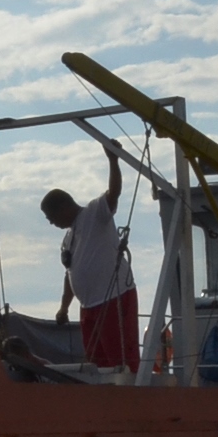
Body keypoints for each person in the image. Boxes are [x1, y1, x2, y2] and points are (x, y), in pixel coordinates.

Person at [42, 138, 139, 372]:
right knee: (96, 364)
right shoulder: (68, 238)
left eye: (51, 216)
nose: (51, 222)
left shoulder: (95, 213)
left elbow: (114, 192)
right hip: (89, 307)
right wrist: (64, 307)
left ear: (63, 207)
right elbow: (70, 273)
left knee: (120, 362)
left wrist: (112, 160)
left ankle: (133, 398)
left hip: (112, 298)